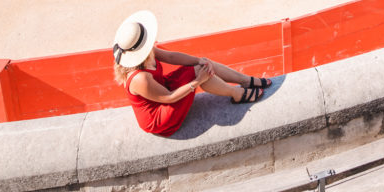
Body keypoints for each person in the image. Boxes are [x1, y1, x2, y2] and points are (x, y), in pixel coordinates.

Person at [113, 10, 272, 137]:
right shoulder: (140, 79)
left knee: (202, 65)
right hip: (159, 116)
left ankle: (245, 80)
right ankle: (236, 93)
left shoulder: (144, 54)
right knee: (199, 73)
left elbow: (171, 57)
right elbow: (169, 97)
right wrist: (197, 81)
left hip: (163, 89)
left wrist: (198, 60)